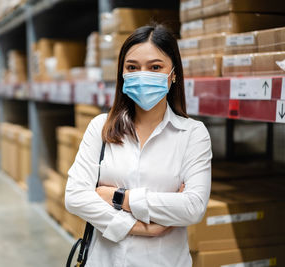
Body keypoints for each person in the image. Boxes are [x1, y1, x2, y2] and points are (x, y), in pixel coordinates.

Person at [65, 23, 212, 267]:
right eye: (132, 67)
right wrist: (143, 227)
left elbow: (193, 207)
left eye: (155, 67)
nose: (143, 75)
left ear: (173, 73)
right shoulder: (101, 127)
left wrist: (119, 197)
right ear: (122, 74)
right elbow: (75, 197)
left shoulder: (193, 134)